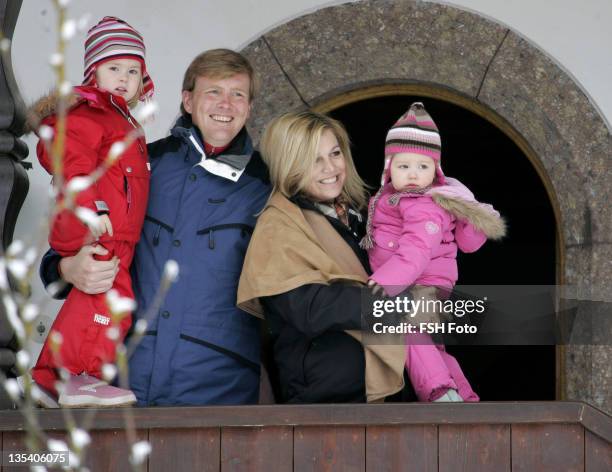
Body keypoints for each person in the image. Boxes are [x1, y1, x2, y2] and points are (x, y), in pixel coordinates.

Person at [39, 49, 271, 406]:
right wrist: (67, 269)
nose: (226, 104)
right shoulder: (142, 163)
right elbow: (66, 243)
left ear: (250, 107)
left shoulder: (266, 187)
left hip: (216, 392)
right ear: (188, 100)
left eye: (238, 94)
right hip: (120, 381)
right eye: (213, 92)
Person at [238, 111, 413, 404]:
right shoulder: (280, 226)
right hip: (324, 399)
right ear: (289, 165)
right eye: (313, 159)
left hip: (380, 392)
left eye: (334, 153)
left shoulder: (364, 217)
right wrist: (398, 305)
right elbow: (308, 307)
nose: (329, 167)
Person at [31, 16, 154, 407]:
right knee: (102, 301)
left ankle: (66, 376)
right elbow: (68, 158)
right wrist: (90, 210)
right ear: (93, 72)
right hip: (94, 227)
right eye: (113, 67)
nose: (124, 77)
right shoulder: (89, 115)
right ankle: (69, 376)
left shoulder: (121, 120)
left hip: (112, 233)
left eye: (133, 70)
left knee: (108, 303)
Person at [361, 102, 505, 402]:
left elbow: (416, 250)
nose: (413, 174)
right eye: (404, 166)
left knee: (404, 330)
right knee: (433, 347)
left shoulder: (425, 205)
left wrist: (386, 282)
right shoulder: (394, 198)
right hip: (415, 282)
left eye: (422, 167)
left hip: (421, 284)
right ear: (389, 169)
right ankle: (465, 398)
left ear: (435, 172)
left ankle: (440, 392)